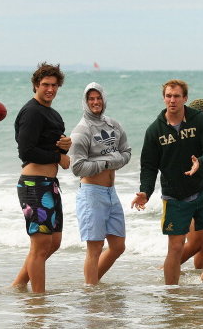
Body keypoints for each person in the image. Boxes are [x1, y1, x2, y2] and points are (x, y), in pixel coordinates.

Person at [131, 80, 203, 284]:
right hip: (174, 195)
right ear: (164, 98)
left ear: (185, 98)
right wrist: (145, 192)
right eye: (168, 96)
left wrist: (200, 163)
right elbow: (148, 167)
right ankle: (172, 296)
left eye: (176, 96)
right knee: (175, 248)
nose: (172, 100)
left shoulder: (199, 120)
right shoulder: (154, 131)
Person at [13, 62, 71, 293]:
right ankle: (38, 299)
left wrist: (64, 147)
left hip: (49, 184)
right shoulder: (32, 112)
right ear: (36, 85)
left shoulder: (52, 114)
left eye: (54, 85)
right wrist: (57, 155)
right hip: (33, 184)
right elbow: (25, 152)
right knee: (40, 246)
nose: (50, 89)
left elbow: (52, 144)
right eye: (45, 84)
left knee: (53, 242)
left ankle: (19, 284)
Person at [70, 82, 132, 285]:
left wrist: (115, 161)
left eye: (98, 98)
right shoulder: (81, 130)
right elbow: (77, 168)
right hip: (91, 194)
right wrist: (105, 162)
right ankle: (91, 292)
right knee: (94, 249)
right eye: (91, 99)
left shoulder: (113, 125)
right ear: (85, 102)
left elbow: (126, 152)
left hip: (111, 193)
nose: (95, 102)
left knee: (118, 246)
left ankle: (93, 282)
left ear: (104, 99)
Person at [179, 99, 203, 270]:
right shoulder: (185, 138)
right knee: (196, 242)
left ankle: (201, 282)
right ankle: (164, 271)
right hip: (187, 196)